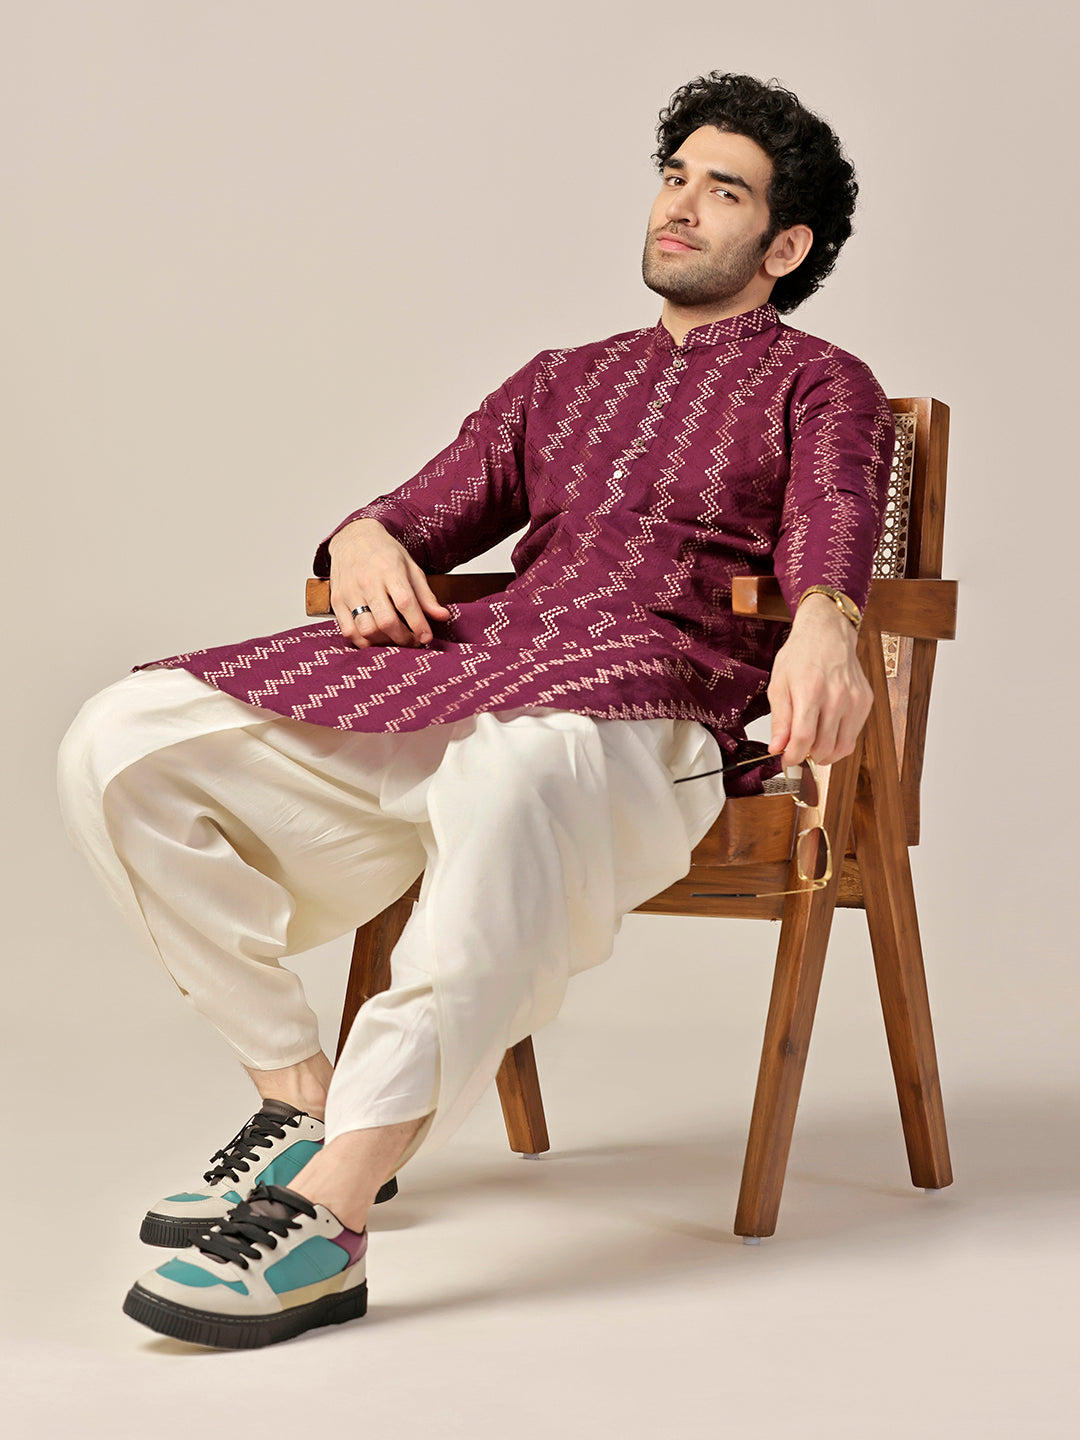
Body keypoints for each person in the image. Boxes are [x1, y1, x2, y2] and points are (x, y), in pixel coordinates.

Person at [58, 71, 894, 1349]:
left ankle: (330, 1216)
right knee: (123, 742)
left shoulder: (821, 383)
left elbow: (838, 510)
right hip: (479, 673)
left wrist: (829, 616)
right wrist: (364, 533)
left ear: (784, 247)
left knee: (518, 773)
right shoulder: (562, 379)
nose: (678, 207)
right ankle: (300, 1100)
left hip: (653, 703)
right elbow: (424, 505)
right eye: (674, 178)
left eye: (721, 192)